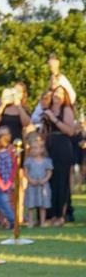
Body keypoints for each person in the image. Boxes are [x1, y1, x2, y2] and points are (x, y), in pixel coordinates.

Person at [42, 86, 76, 226]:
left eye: (61, 93)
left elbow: (70, 131)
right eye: (56, 93)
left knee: (61, 182)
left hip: (62, 145)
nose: (58, 95)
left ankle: (60, 215)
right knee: (50, 181)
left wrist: (54, 119)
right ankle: (49, 215)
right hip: (49, 145)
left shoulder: (66, 110)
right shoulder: (48, 109)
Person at [24, 133, 53, 227]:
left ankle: (43, 221)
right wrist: (30, 180)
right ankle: (31, 221)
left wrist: (45, 180)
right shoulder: (28, 160)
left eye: (36, 148)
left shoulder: (46, 160)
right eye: (32, 148)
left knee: (43, 204)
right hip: (32, 185)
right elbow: (25, 172)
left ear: (42, 149)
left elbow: (49, 172)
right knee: (31, 204)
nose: (34, 150)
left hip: (43, 185)